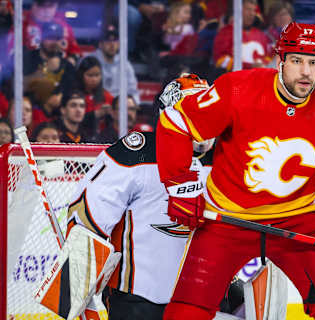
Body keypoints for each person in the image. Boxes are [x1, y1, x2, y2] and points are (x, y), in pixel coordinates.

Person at [156, 22, 315, 320]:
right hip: (227, 220)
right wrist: (181, 186)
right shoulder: (238, 88)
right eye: (297, 60)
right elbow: (176, 122)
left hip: (298, 222)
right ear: (280, 61)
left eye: (314, 63)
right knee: (186, 313)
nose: (305, 72)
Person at [61, 75, 229, 320]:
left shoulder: (227, 160)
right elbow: (87, 215)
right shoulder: (135, 154)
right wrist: (76, 289)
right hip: (139, 301)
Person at [24, 21, 76, 126]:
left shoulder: (67, 66)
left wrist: (62, 98)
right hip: (31, 114)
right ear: (42, 38)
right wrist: (46, 70)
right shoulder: (27, 58)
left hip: (58, 119)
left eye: (57, 39)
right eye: (50, 38)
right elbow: (20, 86)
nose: (53, 42)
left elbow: (72, 91)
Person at [87, 24, 140, 105]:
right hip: (96, 105)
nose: (112, 44)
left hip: (119, 108)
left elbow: (133, 91)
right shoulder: (90, 60)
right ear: (100, 44)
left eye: (115, 40)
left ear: (118, 44)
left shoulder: (125, 64)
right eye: (108, 40)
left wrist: (131, 104)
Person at [213, 0, 270, 71]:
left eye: (253, 10)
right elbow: (220, 61)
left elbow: (267, 58)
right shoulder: (226, 32)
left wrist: (263, 65)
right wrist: (249, 66)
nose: (252, 14)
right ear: (238, 10)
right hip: (235, 79)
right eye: (248, 9)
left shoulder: (261, 35)